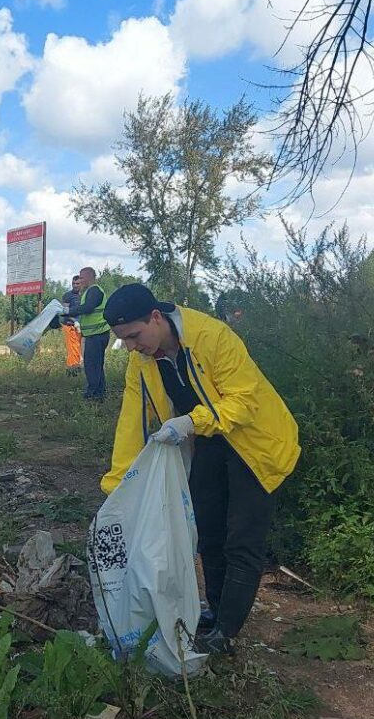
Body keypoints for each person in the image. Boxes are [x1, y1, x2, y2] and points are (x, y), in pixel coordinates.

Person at [101, 283, 300, 655]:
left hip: (254, 442)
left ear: (156, 318)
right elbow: (133, 420)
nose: (130, 346)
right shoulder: (142, 361)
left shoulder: (213, 336)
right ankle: (216, 610)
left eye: (134, 336)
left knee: (242, 538)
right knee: (207, 531)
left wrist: (191, 422)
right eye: (123, 340)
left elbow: (245, 400)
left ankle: (227, 629)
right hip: (208, 442)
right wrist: (117, 485)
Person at [65, 266, 110, 400]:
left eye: (82, 277)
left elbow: (88, 308)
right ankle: (100, 393)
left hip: (97, 335)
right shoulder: (90, 291)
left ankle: (92, 394)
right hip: (97, 334)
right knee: (97, 365)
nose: (80, 280)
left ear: (90, 277)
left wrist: (69, 311)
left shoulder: (94, 291)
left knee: (91, 365)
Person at [61, 275, 83, 375]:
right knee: (72, 349)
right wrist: (74, 321)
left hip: (81, 326)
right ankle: (72, 369)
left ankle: (78, 368)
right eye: (73, 283)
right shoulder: (68, 296)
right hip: (70, 325)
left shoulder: (84, 295)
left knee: (79, 348)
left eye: (77, 283)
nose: (75, 285)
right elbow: (64, 312)